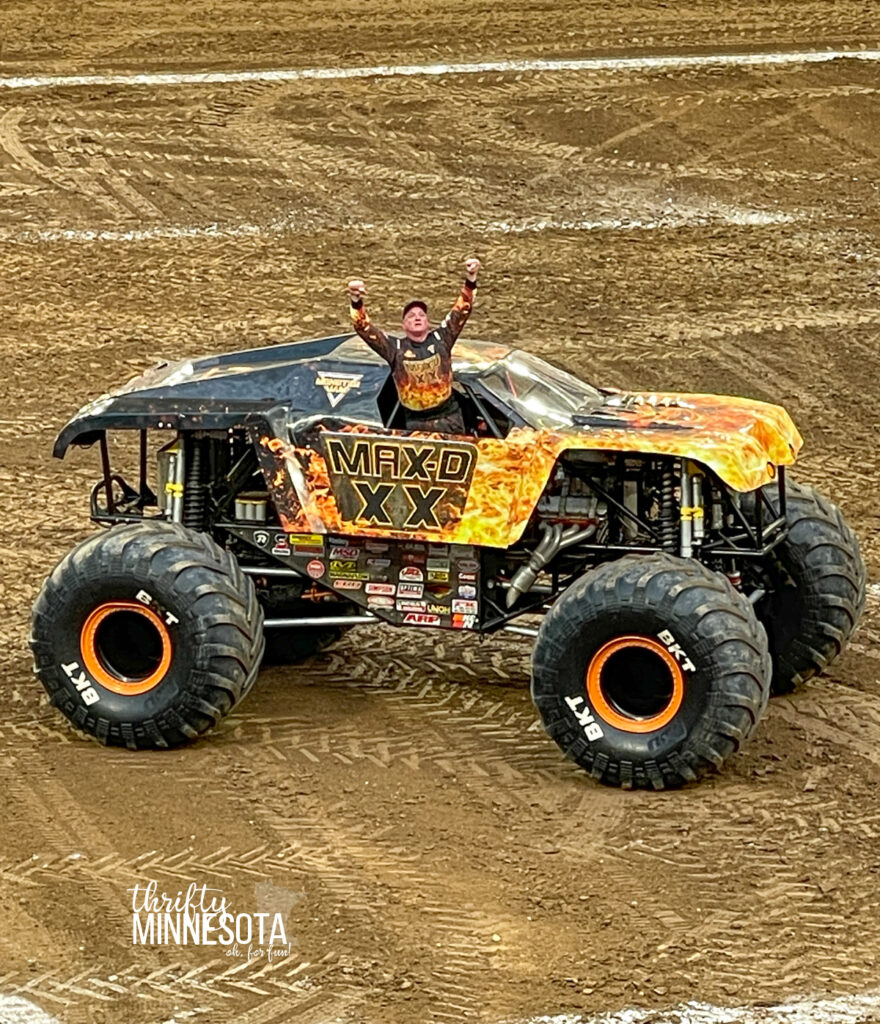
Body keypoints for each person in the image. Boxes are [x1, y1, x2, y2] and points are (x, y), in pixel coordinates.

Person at [347, 258, 481, 433]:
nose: (417, 317)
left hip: (449, 419)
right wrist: (356, 301)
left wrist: (471, 278)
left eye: (421, 315)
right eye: (411, 316)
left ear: (428, 322)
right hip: (416, 424)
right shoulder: (395, 348)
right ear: (404, 325)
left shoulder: (443, 337)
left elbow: (462, 309)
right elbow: (363, 328)